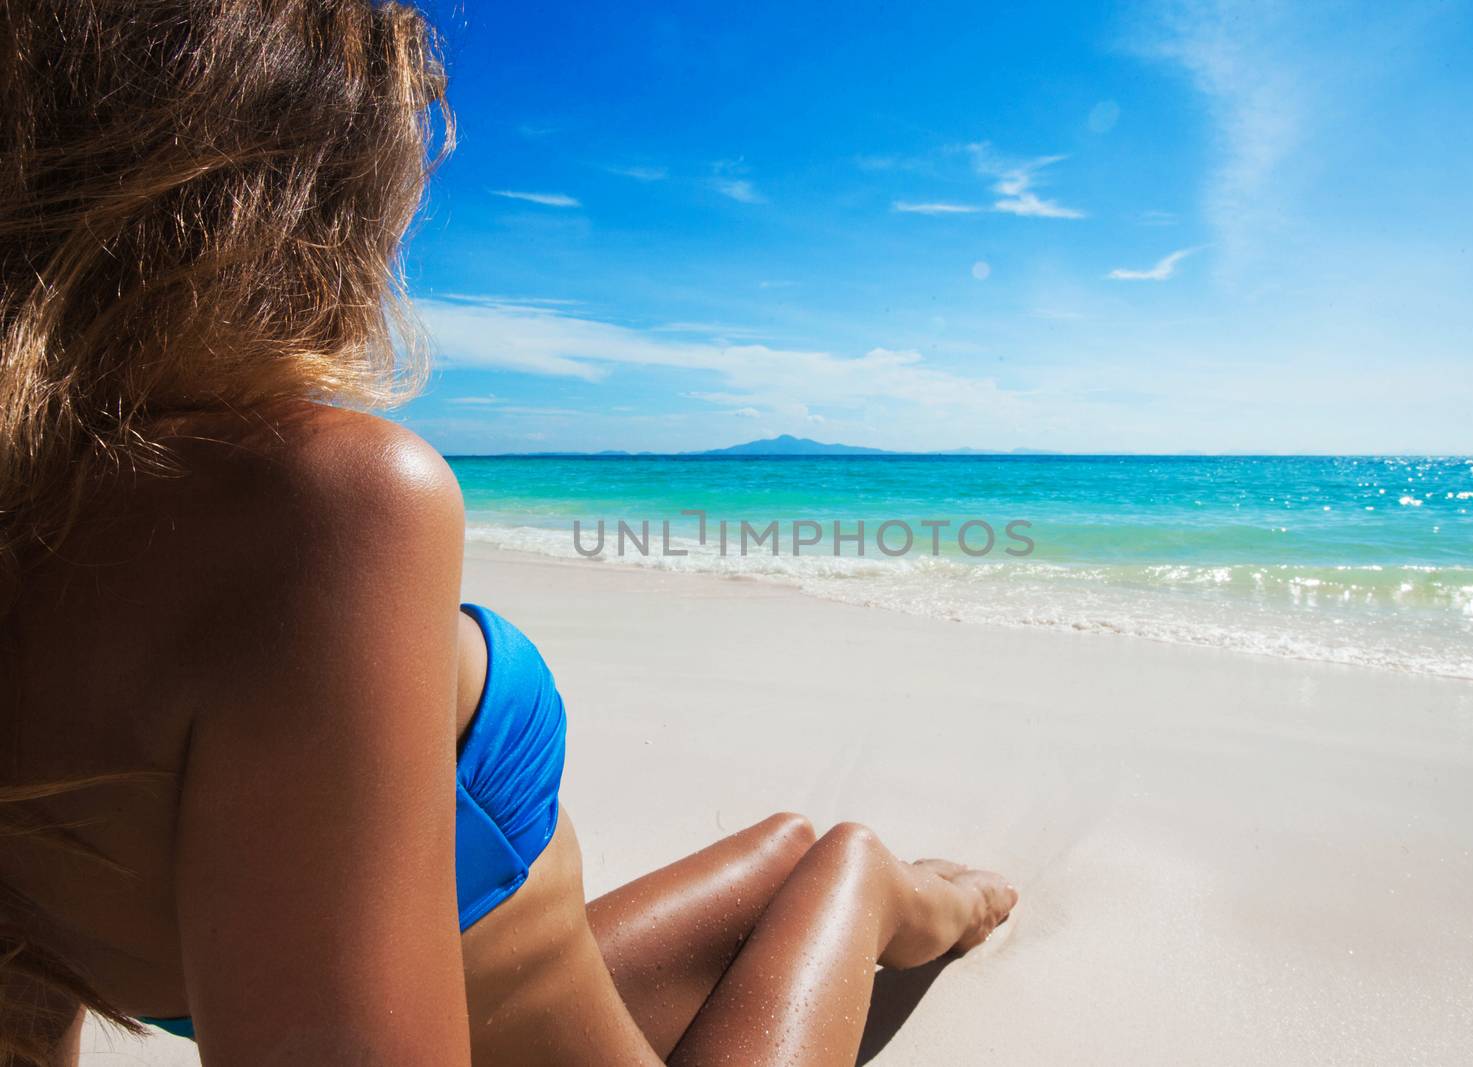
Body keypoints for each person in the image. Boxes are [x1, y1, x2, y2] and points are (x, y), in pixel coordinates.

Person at [0, 3, 1016, 1064]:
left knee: (785, 853)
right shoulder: (324, 504)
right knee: (830, 867)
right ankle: (869, 879)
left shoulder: (33, 532)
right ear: (299, 194)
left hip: (494, 1000)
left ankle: (839, 866)